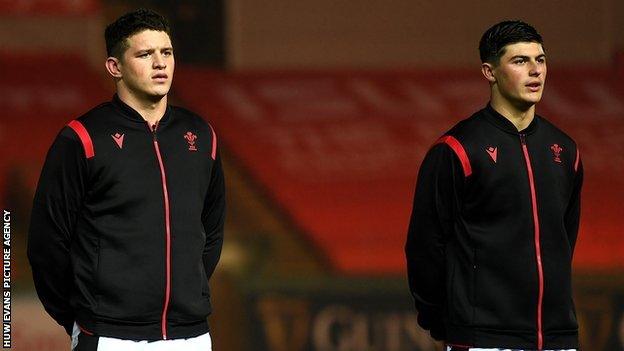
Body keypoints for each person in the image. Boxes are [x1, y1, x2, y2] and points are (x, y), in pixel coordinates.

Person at [27, 9, 225, 351]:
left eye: (167, 52)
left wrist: (186, 292)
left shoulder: (201, 135)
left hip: (191, 336)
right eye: (145, 54)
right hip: (109, 336)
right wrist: (81, 319)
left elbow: (211, 230)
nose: (160, 63)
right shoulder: (83, 138)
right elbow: (47, 244)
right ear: (115, 67)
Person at [405, 21, 582, 351]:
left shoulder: (565, 150)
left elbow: (564, 239)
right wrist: (441, 322)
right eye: (520, 61)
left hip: (558, 338)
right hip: (483, 338)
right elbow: (425, 246)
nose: (535, 71)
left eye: (540, 60)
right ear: (489, 71)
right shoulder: (458, 149)